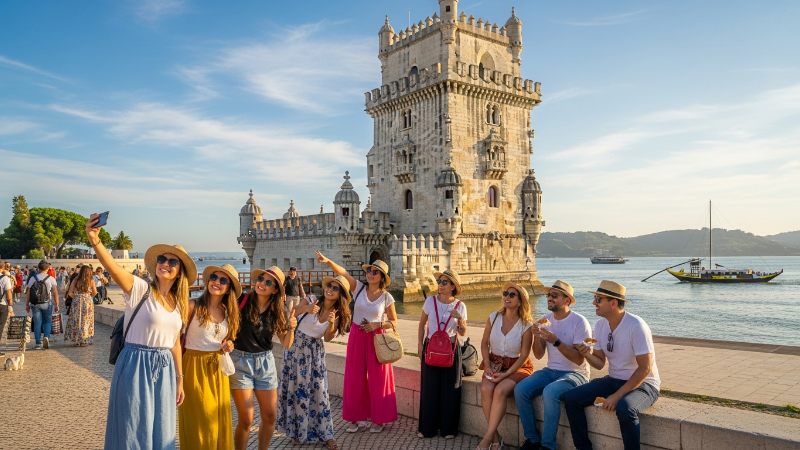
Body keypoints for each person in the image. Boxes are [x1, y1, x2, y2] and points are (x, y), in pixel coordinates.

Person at [86, 213, 195, 450]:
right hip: (135, 363)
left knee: (162, 430)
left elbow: (175, 343)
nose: (165, 264)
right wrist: (95, 240)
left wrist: (180, 380)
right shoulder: (140, 289)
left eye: (172, 262)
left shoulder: (179, 304)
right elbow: (112, 268)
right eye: (162, 259)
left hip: (165, 368)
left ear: (180, 271)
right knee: (131, 430)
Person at [563, 280, 660, 450]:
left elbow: (645, 368)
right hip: (614, 379)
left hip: (645, 384)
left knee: (624, 408)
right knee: (571, 398)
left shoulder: (636, 326)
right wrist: (587, 354)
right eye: (595, 298)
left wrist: (616, 396)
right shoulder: (601, 325)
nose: (594, 302)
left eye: (598, 299)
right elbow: (599, 363)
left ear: (613, 303)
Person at [315, 252, 398, 433]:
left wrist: (377, 324)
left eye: (375, 272)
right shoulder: (359, 288)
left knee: (378, 379)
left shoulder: (386, 297)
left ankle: (379, 419)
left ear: (382, 277)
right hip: (357, 336)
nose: (370, 273)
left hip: (376, 338)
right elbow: (343, 273)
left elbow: (394, 322)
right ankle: (356, 418)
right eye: (369, 270)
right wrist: (328, 261)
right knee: (355, 378)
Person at [514, 280, 592, 450]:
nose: (549, 297)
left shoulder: (579, 322)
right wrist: (537, 337)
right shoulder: (545, 320)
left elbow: (579, 360)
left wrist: (555, 341)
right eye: (548, 294)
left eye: (554, 295)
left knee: (550, 392)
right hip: (551, 371)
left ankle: (548, 446)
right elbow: (539, 354)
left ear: (567, 300)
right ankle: (533, 439)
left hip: (576, 373)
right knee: (520, 389)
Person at [277, 275, 351, 450]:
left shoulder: (338, 314)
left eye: (335, 288)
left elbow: (327, 337)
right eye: (329, 286)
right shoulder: (311, 299)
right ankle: (297, 432)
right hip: (295, 348)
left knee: (320, 392)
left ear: (340, 294)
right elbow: (292, 311)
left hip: (315, 352)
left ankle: (327, 434)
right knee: (296, 390)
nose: (330, 289)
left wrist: (332, 323)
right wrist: (307, 308)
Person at [231, 266, 297, 450]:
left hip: (265, 363)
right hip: (240, 361)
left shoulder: (279, 309)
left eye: (269, 282)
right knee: (246, 419)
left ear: (275, 289)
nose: (262, 283)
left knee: (270, 416)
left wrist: (291, 327)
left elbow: (286, 343)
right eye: (261, 278)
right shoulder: (242, 300)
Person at [179, 264, 240, 450]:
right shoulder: (192, 306)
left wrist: (230, 344)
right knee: (201, 422)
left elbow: (229, 339)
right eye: (214, 277)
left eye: (223, 280)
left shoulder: (230, 312)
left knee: (218, 422)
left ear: (229, 287)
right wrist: (178, 377)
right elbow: (174, 339)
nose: (217, 282)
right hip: (194, 370)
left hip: (218, 372)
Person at [477, 282, 534, 450]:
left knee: (500, 390)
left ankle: (487, 439)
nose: (506, 297)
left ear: (521, 300)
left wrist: (506, 374)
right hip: (494, 363)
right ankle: (496, 437)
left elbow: (524, 356)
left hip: (517, 366)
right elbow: (484, 342)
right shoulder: (493, 317)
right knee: (486, 389)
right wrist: (487, 365)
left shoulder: (527, 325)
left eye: (511, 295)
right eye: (505, 294)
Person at [416, 269, 468, 439]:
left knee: (450, 390)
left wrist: (460, 320)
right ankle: (427, 428)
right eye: (439, 282)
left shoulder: (460, 306)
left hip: (451, 350)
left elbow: (462, 332)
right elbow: (422, 323)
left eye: (444, 282)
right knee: (429, 389)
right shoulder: (430, 301)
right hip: (431, 348)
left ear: (453, 286)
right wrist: (419, 344)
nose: (440, 285)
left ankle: (449, 429)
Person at [26, 260, 59, 350]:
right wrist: (57, 304)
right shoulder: (51, 278)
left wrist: (27, 305)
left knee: (37, 322)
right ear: (48, 268)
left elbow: (28, 292)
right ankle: (46, 337)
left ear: (38, 268)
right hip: (47, 303)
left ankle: (38, 343)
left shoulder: (33, 278)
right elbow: (55, 292)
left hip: (35, 303)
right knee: (48, 321)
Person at [64, 265, 97, 346]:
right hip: (87, 301)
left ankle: (77, 338)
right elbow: (95, 292)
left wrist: (76, 297)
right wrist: (89, 296)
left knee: (77, 320)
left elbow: (70, 292)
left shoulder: (76, 279)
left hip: (77, 301)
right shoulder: (91, 280)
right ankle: (84, 340)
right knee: (86, 320)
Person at [0, 260, 14, 357]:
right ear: (3, 267)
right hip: (2, 304)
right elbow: (9, 295)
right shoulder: (5, 278)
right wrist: (10, 307)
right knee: (0, 327)